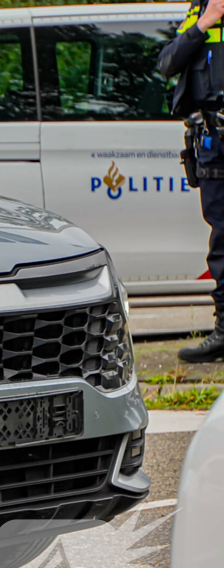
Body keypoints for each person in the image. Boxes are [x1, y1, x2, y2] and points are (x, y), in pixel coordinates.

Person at [161, 0, 224, 361]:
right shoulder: (201, 9)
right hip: (213, 147)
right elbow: (168, 63)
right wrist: (204, 23)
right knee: (221, 243)